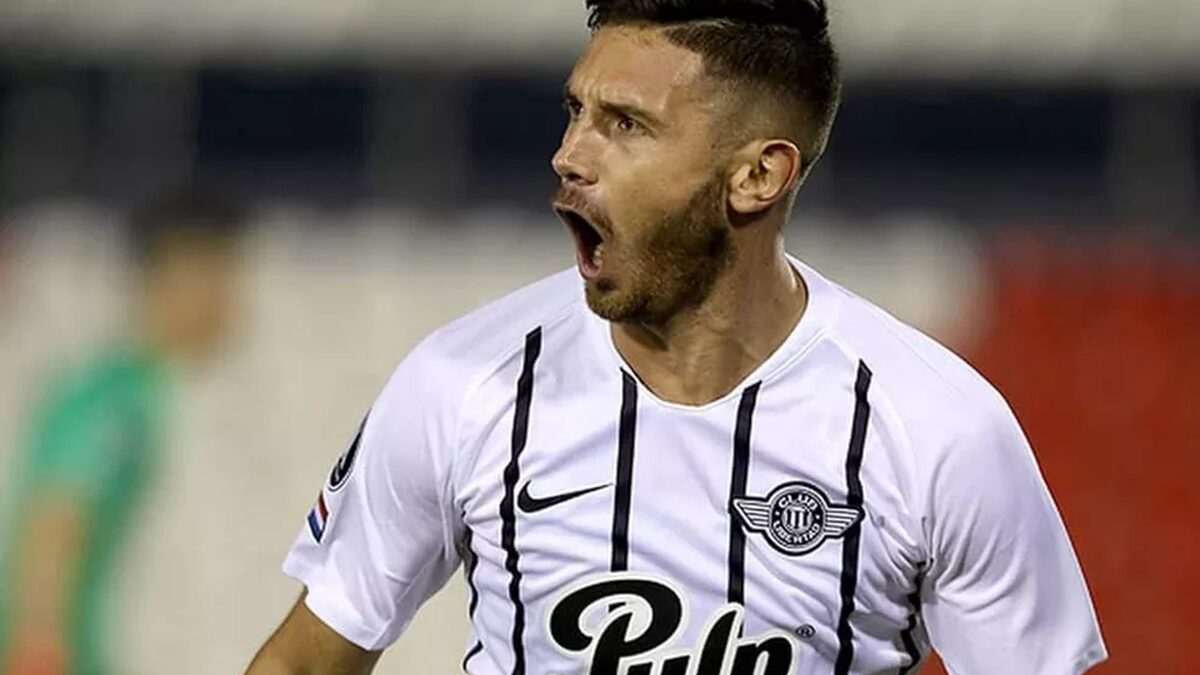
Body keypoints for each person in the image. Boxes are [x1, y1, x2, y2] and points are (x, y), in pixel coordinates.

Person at [244, 1, 1106, 673]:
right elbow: (303, 660)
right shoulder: (465, 383)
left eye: (625, 124)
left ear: (758, 174)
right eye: (575, 111)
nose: (569, 154)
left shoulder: (939, 431)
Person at [0, 190, 243, 675]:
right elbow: (56, 516)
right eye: (224, 280)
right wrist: (39, 649)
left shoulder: (140, 390)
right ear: (179, 277)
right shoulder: (115, 399)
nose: (235, 305)